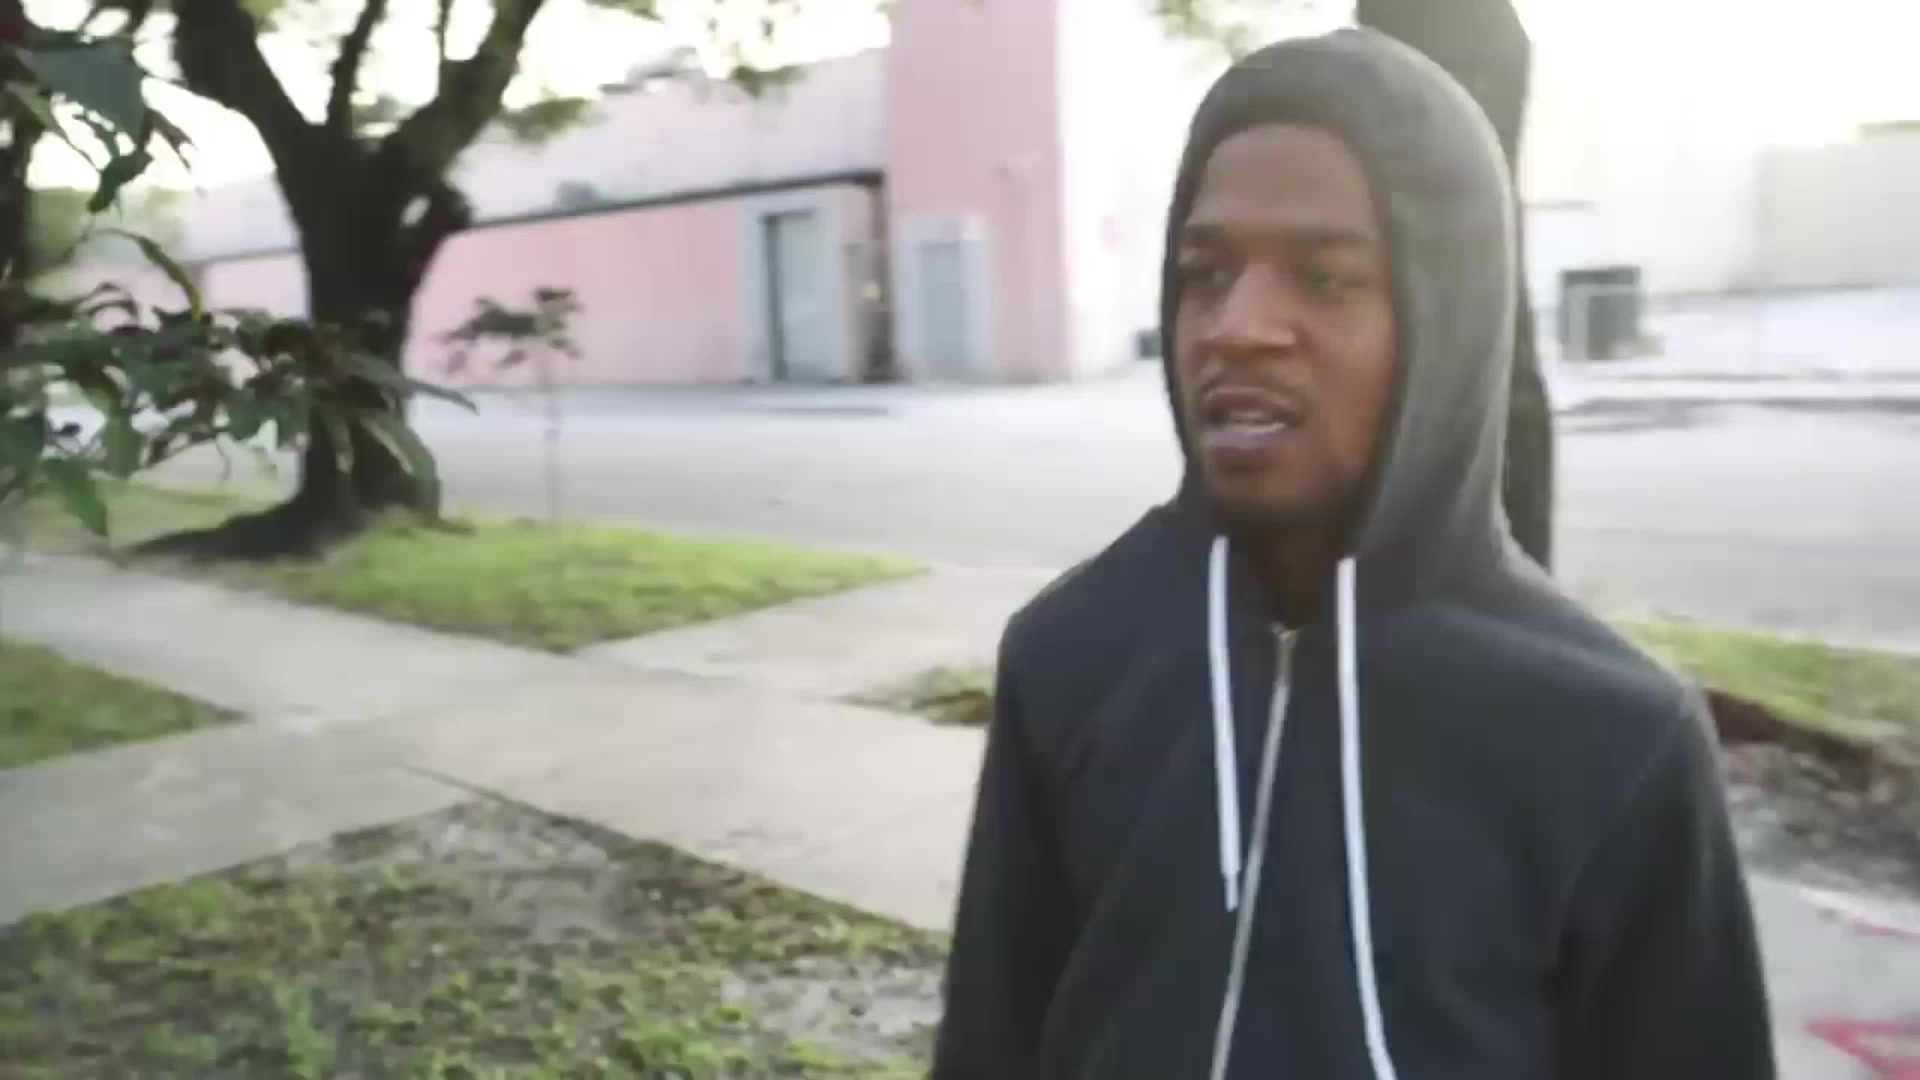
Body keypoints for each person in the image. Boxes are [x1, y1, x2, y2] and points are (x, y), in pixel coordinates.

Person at [931, 28, 1775, 1080]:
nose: (1237, 326)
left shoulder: (1616, 738)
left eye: (1324, 279)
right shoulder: (1070, 656)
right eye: (1205, 273)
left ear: (1442, 321)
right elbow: (991, 1041)